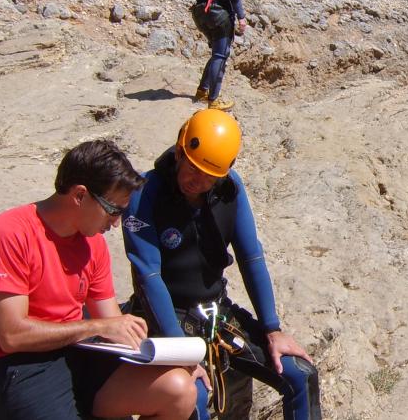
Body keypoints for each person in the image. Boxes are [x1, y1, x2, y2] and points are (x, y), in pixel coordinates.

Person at [0, 140, 198, 420]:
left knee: (180, 389)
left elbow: (111, 321)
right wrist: (99, 326)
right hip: (21, 364)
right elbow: (11, 335)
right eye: (113, 210)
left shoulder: (93, 245)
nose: (116, 223)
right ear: (79, 195)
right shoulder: (9, 234)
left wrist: (172, 359)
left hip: (79, 351)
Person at [122, 109, 321, 420]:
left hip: (213, 312)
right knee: (193, 396)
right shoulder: (146, 193)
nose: (197, 182)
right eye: (192, 169)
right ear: (179, 151)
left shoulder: (229, 189)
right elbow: (149, 276)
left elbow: (250, 255)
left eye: (209, 176)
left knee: (300, 374)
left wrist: (272, 329)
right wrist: (180, 352)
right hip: (164, 315)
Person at [192, 0, 248, 112]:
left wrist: (203, 5)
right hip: (219, 12)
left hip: (202, 10)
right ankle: (213, 101)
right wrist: (241, 15)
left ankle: (202, 91)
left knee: (216, 53)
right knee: (221, 55)